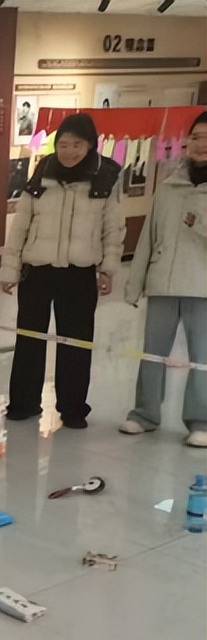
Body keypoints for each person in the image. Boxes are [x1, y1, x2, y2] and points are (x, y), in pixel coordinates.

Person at [0, 113, 125, 429]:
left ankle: (72, 408)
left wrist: (108, 269)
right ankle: (24, 402)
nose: (69, 151)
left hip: (79, 273)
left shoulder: (105, 176)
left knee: (76, 343)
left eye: (77, 145)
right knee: (29, 339)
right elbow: (21, 226)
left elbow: (113, 228)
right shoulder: (43, 171)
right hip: (37, 270)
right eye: (63, 144)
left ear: (90, 145)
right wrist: (9, 270)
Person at [120, 110, 207, 447]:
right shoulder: (169, 186)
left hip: (202, 287)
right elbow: (148, 237)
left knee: (202, 357)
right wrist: (135, 282)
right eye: (196, 137)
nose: (201, 145)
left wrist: (198, 222)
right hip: (163, 282)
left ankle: (200, 421)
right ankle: (145, 413)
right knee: (152, 353)